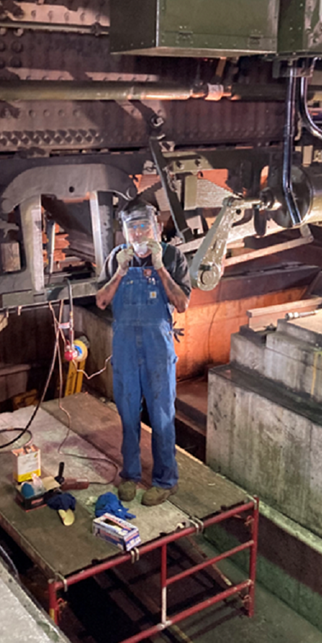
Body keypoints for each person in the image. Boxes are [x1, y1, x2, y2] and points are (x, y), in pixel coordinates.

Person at [94, 200, 190, 507]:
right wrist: (120, 272)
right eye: (131, 228)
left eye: (143, 226)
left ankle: (166, 481)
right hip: (124, 347)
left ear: (157, 228)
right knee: (127, 413)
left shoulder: (172, 257)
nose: (137, 233)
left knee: (162, 416)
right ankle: (130, 475)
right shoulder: (116, 258)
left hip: (156, 347)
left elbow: (182, 303)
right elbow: (101, 301)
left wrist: (160, 267)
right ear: (124, 232)